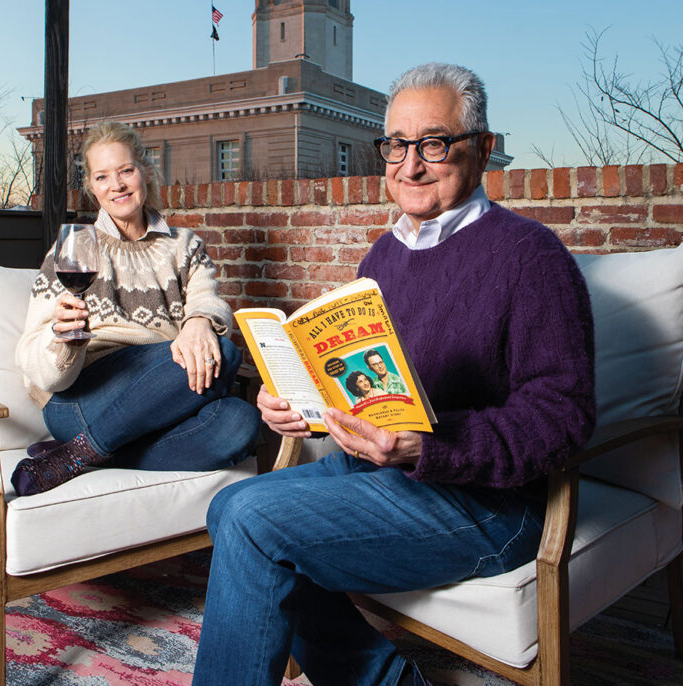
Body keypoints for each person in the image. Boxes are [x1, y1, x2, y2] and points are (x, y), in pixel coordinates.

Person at [190, 63, 595, 686]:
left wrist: (430, 442)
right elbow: (361, 382)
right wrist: (302, 401)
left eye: (433, 143)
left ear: (482, 150)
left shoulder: (532, 257)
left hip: (491, 505)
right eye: (396, 146)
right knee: (230, 505)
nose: (410, 166)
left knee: (251, 521)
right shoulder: (384, 254)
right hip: (384, 472)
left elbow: (562, 421)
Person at [11, 121, 261, 496]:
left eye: (126, 170)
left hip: (164, 391)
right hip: (82, 398)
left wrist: (197, 322)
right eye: (102, 176)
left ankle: (88, 454)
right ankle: (84, 447)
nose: (117, 185)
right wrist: (62, 339)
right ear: (93, 188)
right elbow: (38, 369)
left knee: (240, 422)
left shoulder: (184, 246)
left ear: (145, 170)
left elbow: (207, 299)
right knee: (223, 354)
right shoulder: (74, 250)